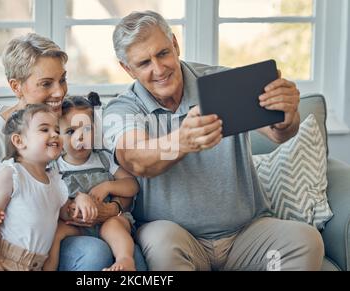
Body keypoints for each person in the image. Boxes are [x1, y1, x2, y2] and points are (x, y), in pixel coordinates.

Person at [103, 10, 324, 271]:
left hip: (247, 235)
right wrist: (182, 142)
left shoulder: (222, 84)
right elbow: (137, 159)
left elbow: (279, 132)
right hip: (178, 239)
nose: (159, 69)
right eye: (144, 63)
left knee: (305, 241)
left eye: (163, 53)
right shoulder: (123, 108)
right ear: (127, 69)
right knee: (162, 242)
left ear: (175, 44)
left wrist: (286, 114)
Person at [0, 33, 144, 271]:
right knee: (95, 253)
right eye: (46, 83)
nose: (60, 92)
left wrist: (113, 209)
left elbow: (114, 174)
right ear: (16, 86)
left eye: (62, 79)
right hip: (14, 248)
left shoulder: (72, 116)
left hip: (69, 229)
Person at [46, 93, 139, 271]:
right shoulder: (55, 167)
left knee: (113, 226)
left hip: (108, 221)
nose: (80, 137)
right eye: (71, 131)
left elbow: (132, 185)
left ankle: (125, 260)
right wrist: (78, 199)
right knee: (55, 232)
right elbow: (51, 200)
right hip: (75, 225)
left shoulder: (104, 159)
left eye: (87, 129)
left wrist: (108, 186)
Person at [0, 104, 68, 271]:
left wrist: (82, 200)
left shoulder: (56, 182)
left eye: (57, 130)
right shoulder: (11, 175)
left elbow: (64, 216)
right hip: (4, 261)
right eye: (44, 129)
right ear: (19, 141)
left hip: (37, 265)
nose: (55, 134)